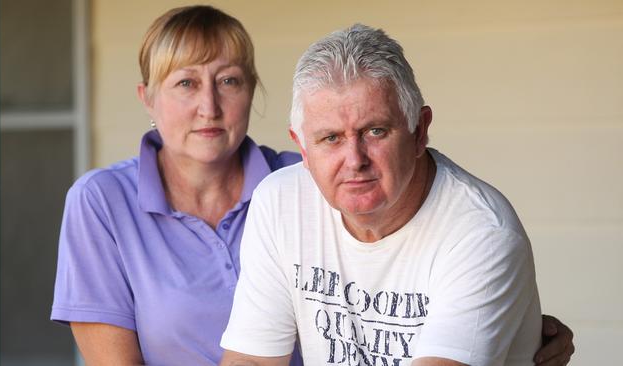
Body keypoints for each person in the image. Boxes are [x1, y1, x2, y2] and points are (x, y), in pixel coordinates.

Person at [50, 5, 573, 366]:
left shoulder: (291, 182)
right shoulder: (287, 194)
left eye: (228, 81)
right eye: (185, 83)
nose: (353, 161)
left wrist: (508, 325)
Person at [220, 24, 574, 366]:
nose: (354, 160)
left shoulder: (481, 234)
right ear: (303, 149)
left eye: (375, 131)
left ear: (419, 131)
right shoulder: (280, 202)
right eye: (331, 138)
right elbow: (250, 359)